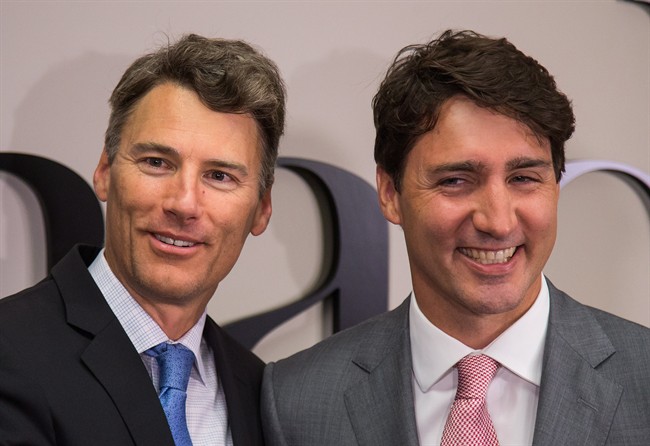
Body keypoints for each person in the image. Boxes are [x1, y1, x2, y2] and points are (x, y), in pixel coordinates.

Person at [261, 29, 650, 445]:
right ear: (390, 193)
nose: (498, 222)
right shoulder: (297, 402)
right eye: (456, 181)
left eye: (523, 178)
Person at [0, 34, 285, 445]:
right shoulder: (10, 350)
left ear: (261, 208)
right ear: (104, 171)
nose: (184, 204)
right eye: (157, 162)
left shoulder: (260, 393)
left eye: (219, 176)